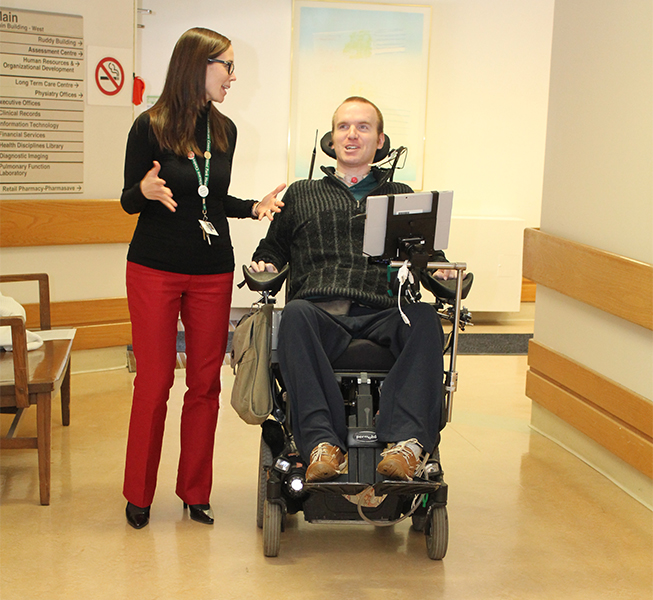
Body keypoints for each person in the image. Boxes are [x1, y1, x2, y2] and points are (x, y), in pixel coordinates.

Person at [120, 27, 285, 529]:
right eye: (227, 66)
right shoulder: (149, 125)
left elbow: (210, 200)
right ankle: (139, 495)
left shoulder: (225, 130)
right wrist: (144, 190)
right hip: (154, 268)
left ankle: (195, 492)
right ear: (198, 66)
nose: (234, 76)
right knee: (153, 383)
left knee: (205, 384)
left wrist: (253, 207)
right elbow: (128, 199)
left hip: (212, 271)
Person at [250, 97, 454, 484]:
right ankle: (321, 446)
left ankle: (407, 445)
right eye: (344, 126)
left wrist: (440, 268)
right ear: (331, 138)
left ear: (380, 140)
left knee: (425, 318)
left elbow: (427, 253)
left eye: (363, 127)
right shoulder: (302, 193)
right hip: (319, 310)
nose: (352, 134)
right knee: (293, 315)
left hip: (385, 308)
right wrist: (267, 264)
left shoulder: (401, 193)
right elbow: (272, 248)